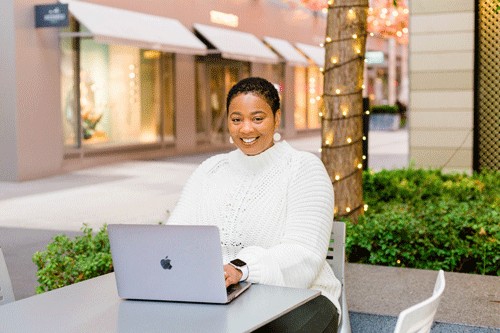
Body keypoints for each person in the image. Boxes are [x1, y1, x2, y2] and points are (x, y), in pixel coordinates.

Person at [167, 77, 340, 332]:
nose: (246, 129)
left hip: (300, 299)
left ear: (276, 117)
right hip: (221, 298)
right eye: (237, 120)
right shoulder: (210, 170)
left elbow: (305, 255)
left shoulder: (304, 168)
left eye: (258, 118)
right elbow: (175, 236)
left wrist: (241, 268)